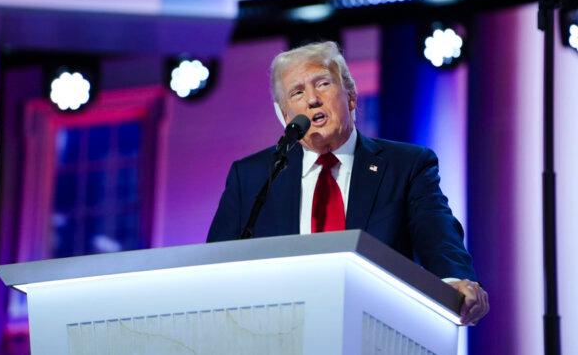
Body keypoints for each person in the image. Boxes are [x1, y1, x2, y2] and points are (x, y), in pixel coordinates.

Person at [207, 41, 489, 325]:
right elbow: (214, 267)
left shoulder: (406, 166)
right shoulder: (253, 177)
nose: (312, 100)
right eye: (297, 92)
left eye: (323, 84)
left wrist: (454, 284)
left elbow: (438, 236)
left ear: (351, 96)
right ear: (285, 114)